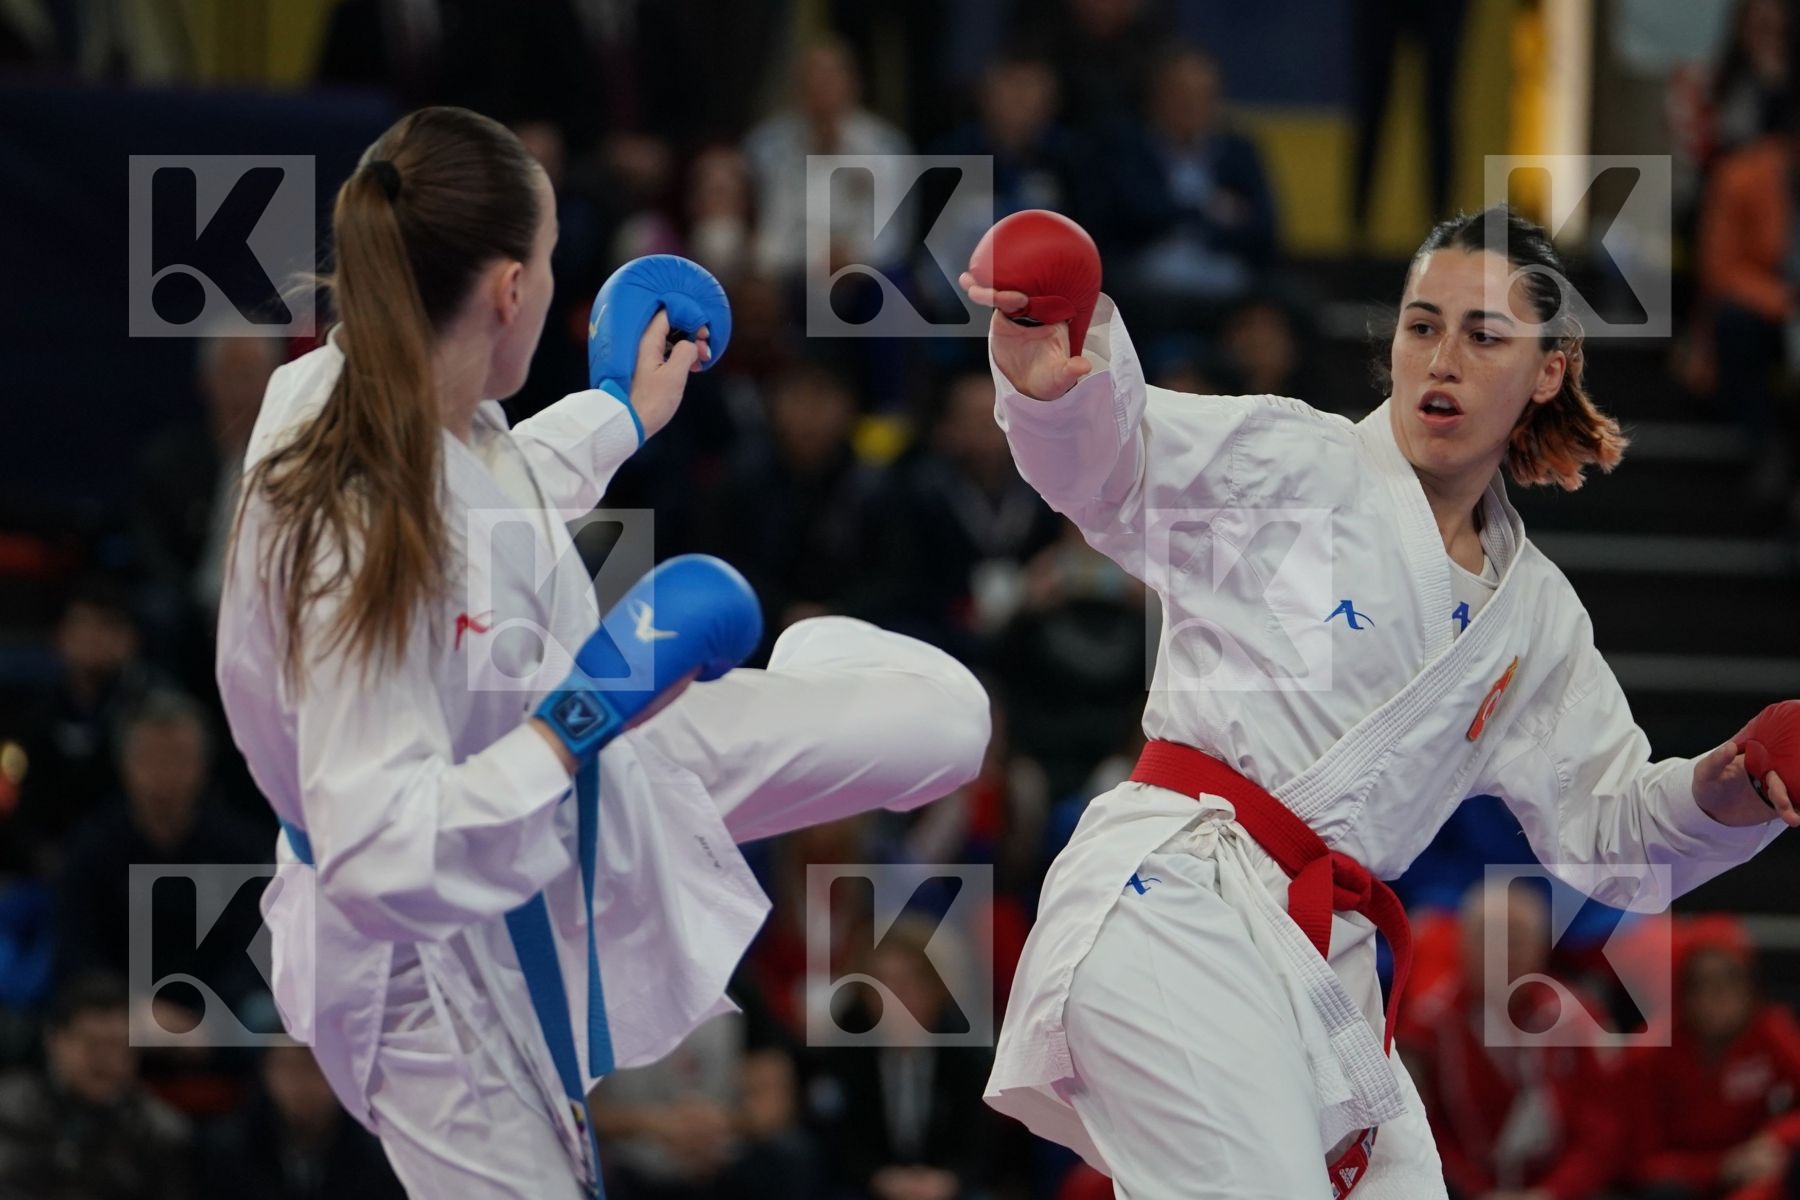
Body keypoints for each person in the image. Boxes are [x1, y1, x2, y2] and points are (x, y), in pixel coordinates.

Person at [216, 106, 989, 1199]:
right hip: (425, 960)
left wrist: (621, 412)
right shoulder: (353, 530)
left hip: (583, 754)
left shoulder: (390, 389)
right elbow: (377, 856)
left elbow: (486, 505)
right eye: (547, 260)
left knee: (949, 723)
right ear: (509, 291)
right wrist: (580, 717)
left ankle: (804, 652)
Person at [959, 205, 1797, 1199]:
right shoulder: (1293, 462)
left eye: (1483, 336)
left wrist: (1734, 784)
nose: (1442, 360)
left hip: (1324, 967)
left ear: (1548, 371)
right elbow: (1118, 467)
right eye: (1421, 325)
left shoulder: (1536, 619)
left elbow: (1614, 832)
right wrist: (1049, 383)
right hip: (1177, 902)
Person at [0, 972, 191, 1199]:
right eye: (94, 1044)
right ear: (55, 1040)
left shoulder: (159, 1132)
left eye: (120, 1046)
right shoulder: (9, 1112)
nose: (107, 1061)